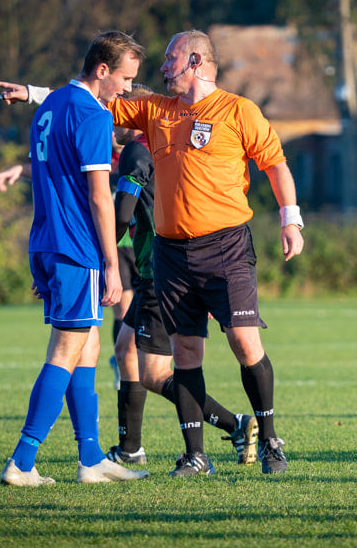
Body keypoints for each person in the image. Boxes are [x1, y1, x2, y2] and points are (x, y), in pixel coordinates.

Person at [0, 28, 304, 477]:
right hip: (171, 252)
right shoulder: (156, 110)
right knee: (182, 355)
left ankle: (270, 440)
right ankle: (192, 455)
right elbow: (87, 98)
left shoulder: (240, 111)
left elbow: (275, 164)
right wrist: (31, 93)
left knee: (242, 341)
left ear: (195, 61)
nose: (161, 69)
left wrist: (290, 218)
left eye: (169, 60)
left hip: (227, 246)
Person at [0, 31, 150, 486]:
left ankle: (90, 460)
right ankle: (23, 462)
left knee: (88, 346)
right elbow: (100, 197)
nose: (127, 89)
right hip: (76, 247)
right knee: (66, 350)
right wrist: (109, 263)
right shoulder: (93, 115)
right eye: (125, 79)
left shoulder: (49, 106)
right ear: (102, 70)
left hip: (46, 241)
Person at [106, 84, 259, 468]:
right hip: (158, 270)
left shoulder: (138, 150)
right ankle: (130, 448)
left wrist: (101, 250)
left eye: (119, 111)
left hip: (160, 271)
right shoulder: (165, 141)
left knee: (155, 374)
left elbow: (122, 214)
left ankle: (233, 425)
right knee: (126, 350)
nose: (113, 120)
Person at [0, 137, 137, 393]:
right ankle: (123, 360)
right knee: (119, 312)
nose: (116, 133)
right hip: (110, 245)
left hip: (139, 241)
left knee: (104, 330)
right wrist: (20, 169)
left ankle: (127, 362)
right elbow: (52, 170)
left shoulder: (140, 153)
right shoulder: (96, 149)